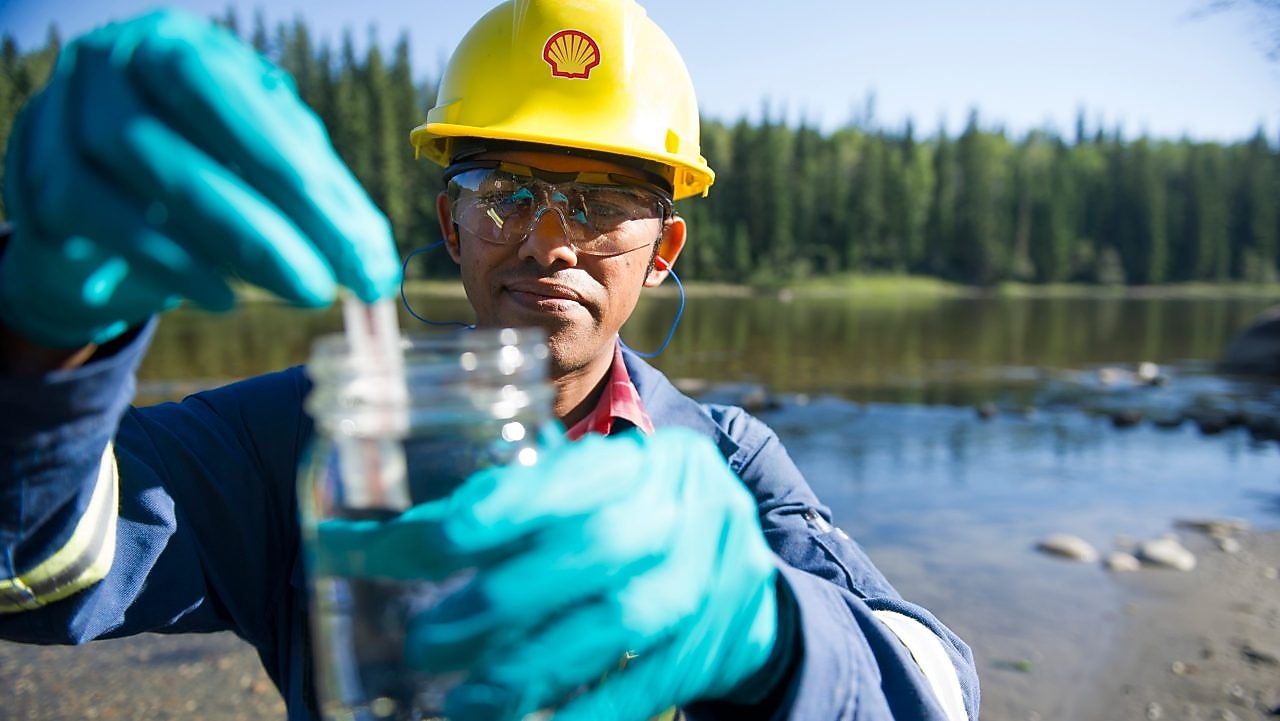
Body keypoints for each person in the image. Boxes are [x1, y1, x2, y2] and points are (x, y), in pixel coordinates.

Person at [0, 2, 979, 719]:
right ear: (452, 223)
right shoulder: (310, 438)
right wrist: (38, 339)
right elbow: (43, 568)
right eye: (506, 190)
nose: (550, 242)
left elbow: (938, 685)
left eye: (598, 204)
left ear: (661, 253)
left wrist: (776, 633)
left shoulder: (725, 462)